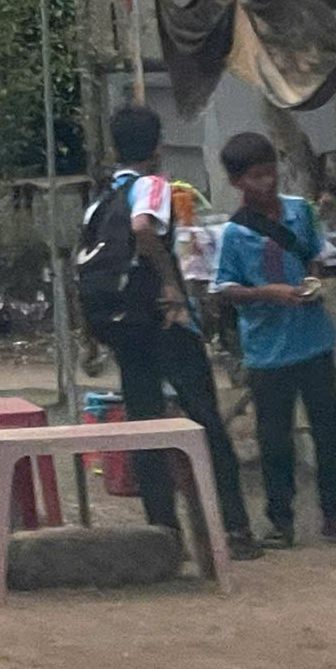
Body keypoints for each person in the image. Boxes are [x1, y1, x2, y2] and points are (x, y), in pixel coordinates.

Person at [92, 104, 261, 563]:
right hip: (163, 318)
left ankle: (162, 532)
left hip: (125, 325)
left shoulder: (103, 194)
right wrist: (169, 281)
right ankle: (234, 528)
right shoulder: (151, 185)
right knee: (204, 417)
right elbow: (143, 228)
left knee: (145, 422)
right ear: (157, 147)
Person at [211, 131, 336, 549]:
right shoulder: (234, 234)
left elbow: (315, 253)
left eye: (271, 173)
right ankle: (280, 521)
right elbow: (226, 288)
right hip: (267, 349)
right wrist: (271, 293)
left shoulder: (301, 212)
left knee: (329, 432)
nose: (267, 183)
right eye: (256, 177)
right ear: (237, 182)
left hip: (314, 339)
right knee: (275, 439)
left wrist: (313, 279)